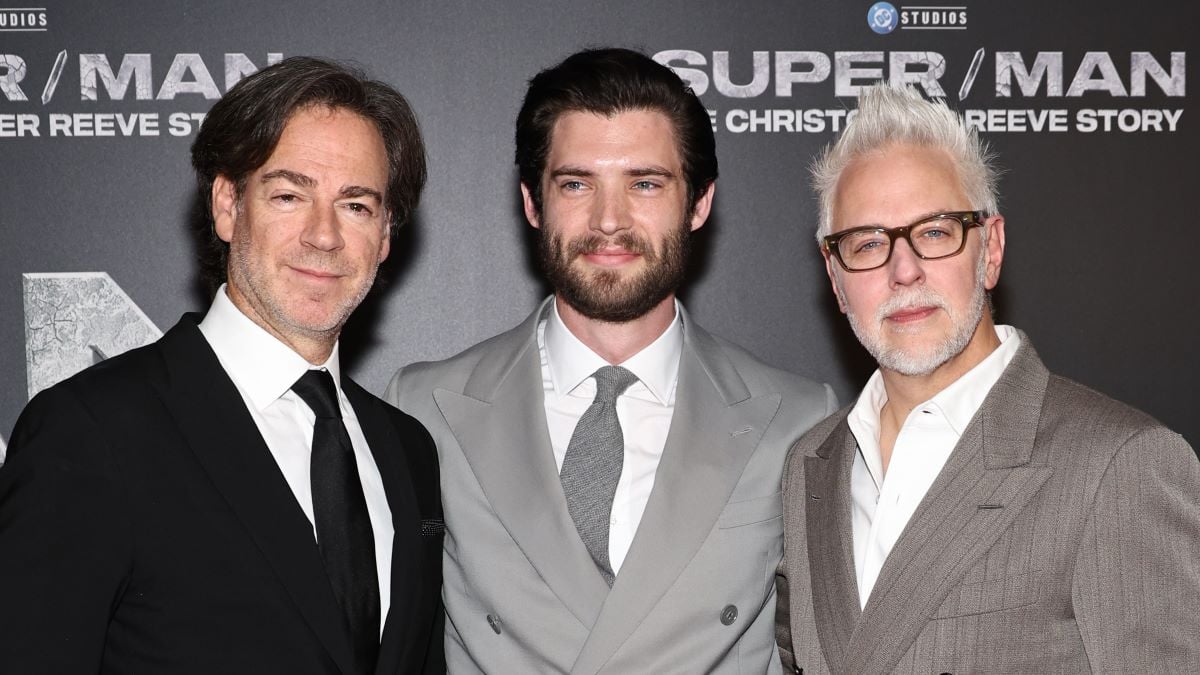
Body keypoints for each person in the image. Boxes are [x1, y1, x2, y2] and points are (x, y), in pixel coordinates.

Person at [387, 47, 836, 673]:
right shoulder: (422, 409)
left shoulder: (797, 420)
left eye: (645, 184)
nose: (609, 221)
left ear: (700, 202)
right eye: (576, 184)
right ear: (532, 203)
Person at [0, 56, 442, 674]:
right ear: (228, 205)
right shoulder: (91, 432)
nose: (324, 235)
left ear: (387, 233)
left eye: (356, 206)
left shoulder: (407, 451)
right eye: (290, 195)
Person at [775, 82, 1200, 673]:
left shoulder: (1118, 465)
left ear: (991, 248)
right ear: (836, 277)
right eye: (868, 243)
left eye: (935, 232)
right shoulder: (810, 465)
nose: (904, 270)